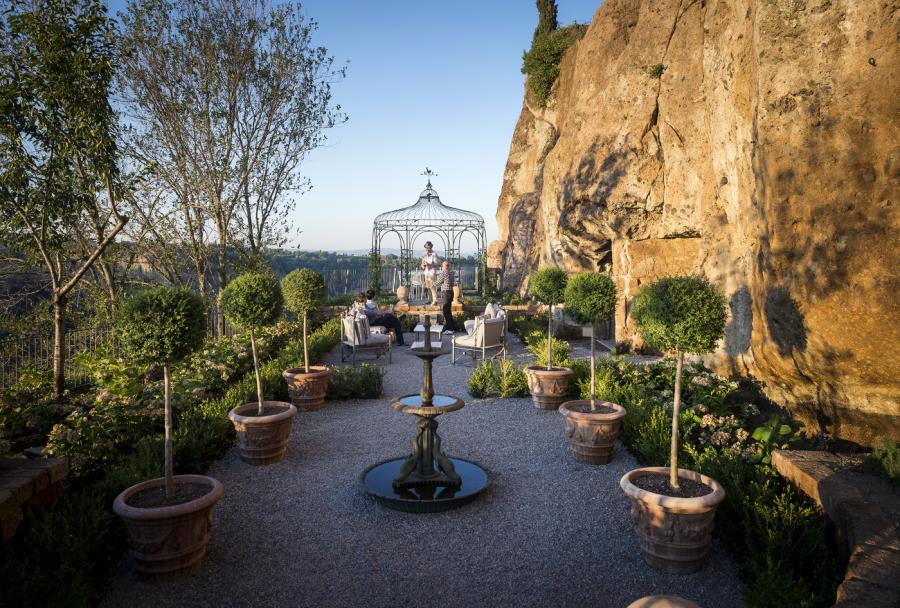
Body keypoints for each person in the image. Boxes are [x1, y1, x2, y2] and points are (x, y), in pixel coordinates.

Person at [432, 261, 456, 333]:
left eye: (442, 266)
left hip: (447, 293)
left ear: (444, 266)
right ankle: (450, 327)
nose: (441, 267)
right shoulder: (451, 272)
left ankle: (450, 329)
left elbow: (438, 283)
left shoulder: (444, 272)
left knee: (446, 311)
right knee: (448, 311)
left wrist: (431, 282)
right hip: (451, 292)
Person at [419, 241, 440, 306]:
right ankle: (429, 300)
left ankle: (435, 301)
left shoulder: (434, 254)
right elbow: (422, 263)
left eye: (428, 247)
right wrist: (423, 265)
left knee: (432, 286)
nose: (427, 249)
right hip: (426, 272)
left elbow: (436, 264)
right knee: (428, 287)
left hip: (432, 272)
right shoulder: (424, 254)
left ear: (431, 247)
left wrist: (429, 264)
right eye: (426, 247)